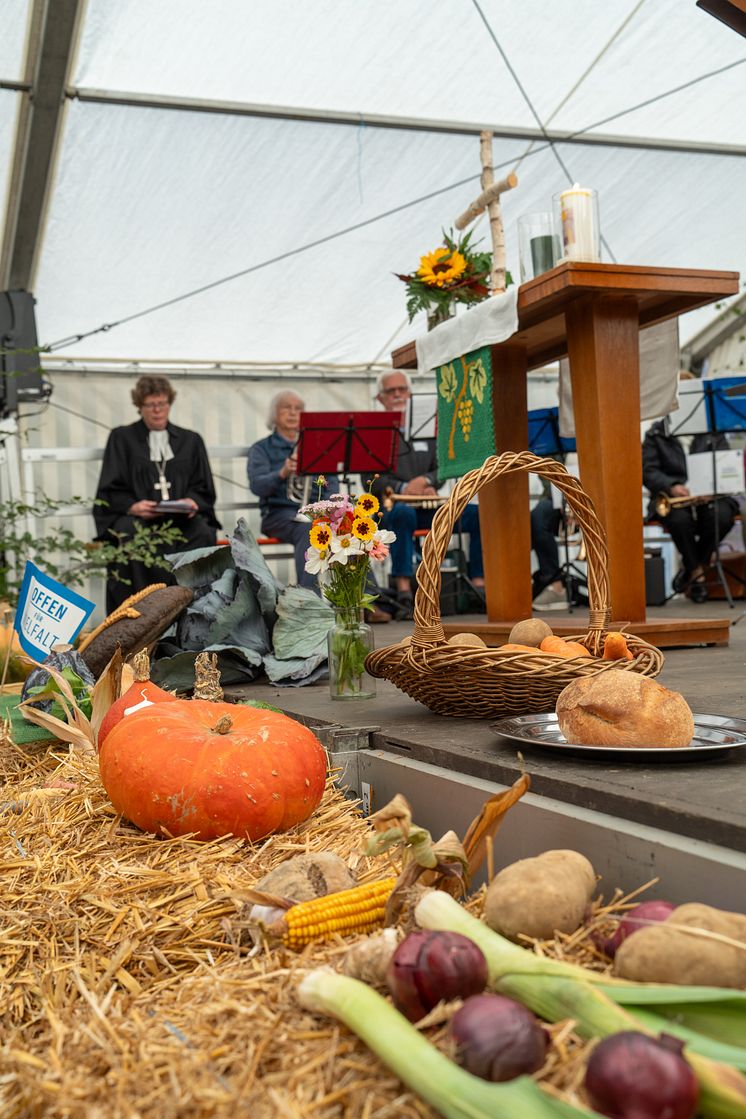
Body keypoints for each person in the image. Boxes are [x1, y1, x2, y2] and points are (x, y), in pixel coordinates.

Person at [94, 375, 220, 613]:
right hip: (140, 522)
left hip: (181, 522)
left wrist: (191, 501)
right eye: (150, 405)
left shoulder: (190, 440)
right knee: (128, 535)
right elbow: (109, 489)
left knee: (202, 532)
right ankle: (140, 615)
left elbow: (203, 487)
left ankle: (197, 610)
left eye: (162, 403)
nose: (157, 410)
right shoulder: (121, 438)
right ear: (140, 407)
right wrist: (133, 506)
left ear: (169, 403)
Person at [370, 370, 485, 612]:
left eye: (402, 389)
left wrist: (426, 480)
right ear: (381, 398)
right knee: (403, 515)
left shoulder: (430, 429)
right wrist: (404, 488)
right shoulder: (374, 433)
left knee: (476, 515)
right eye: (391, 391)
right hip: (392, 511)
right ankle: (403, 589)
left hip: (428, 506)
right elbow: (370, 478)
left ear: (410, 393)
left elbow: (442, 467)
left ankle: (479, 585)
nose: (398, 394)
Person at [642, 416, 738, 603]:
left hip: (708, 496)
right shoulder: (655, 434)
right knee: (679, 521)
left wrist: (711, 487)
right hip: (671, 496)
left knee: (722, 516)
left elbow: (724, 463)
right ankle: (697, 572)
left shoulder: (712, 431)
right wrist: (671, 486)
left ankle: (692, 567)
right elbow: (648, 471)